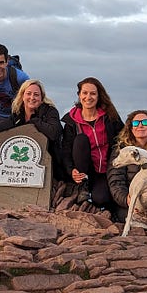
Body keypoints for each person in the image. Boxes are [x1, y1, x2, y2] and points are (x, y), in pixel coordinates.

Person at [0, 79, 63, 178]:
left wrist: (35, 120)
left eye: (36, 95)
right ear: (22, 96)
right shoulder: (18, 113)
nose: (32, 97)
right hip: (23, 162)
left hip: (49, 160)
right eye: (28, 93)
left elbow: (54, 133)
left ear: (41, 98)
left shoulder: (50, 111)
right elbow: (2, 125)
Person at [61, 77, 124, 208]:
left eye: (93, 93)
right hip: (85, 169)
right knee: (81, 139)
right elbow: (66, 150)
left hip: (106, 169)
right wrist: (71, 170)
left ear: (98, 96)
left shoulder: (110, 116)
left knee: (100, 199)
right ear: (79, 95)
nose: (88, 97)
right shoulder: (72, 121)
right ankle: (82, 186)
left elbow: (123, 138)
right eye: (84, 93)